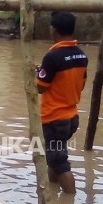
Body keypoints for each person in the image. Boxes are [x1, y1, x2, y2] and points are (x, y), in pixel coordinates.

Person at [36, 12, 88, 194]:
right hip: (71, 118)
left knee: (60, 162)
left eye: (51, 26)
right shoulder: (81, 55)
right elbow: (80, 85)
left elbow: (40, 88)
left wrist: (38, 74)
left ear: (54, 30)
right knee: (55, 159)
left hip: (54, 120)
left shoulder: (52, 57)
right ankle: (54, 190)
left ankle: (70, 197)